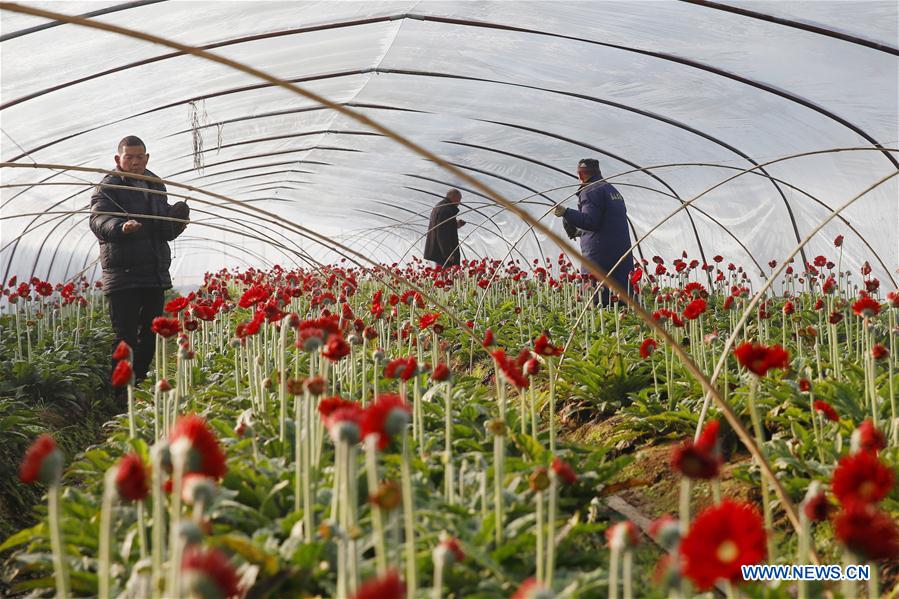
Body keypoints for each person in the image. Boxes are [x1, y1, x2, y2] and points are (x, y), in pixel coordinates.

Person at [90, 136, 190, 388]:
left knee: (150, 334)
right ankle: (121, 389)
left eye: (139, 157)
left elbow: (163, 232)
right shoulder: (109, 187)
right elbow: (98, 219)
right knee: (125, 337)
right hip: (123, 274)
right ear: (118, 159)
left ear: (147, 158)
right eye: (129, 157)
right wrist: (120, 227)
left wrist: (177, 222)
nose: (135, 162)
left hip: (153, 272)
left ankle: (140, 380)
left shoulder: (155, 185)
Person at [553, 158, 634, 305]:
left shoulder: (590, 190)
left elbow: (591, 221)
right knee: (621, 302)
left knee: (600, 304)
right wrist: (579, 232)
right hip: (619, 257)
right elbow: (606, 223)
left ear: (581, 175)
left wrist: (566, 212)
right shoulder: (612, 190)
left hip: (600, 258)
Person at [423, 188, 466, 268]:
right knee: (445, 277)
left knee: (442, 276)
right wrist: (448, 254)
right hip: (441, 254)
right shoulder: (446, 210)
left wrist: (456, 225)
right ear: (454, 198)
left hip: (437, 252)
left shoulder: (440, 207)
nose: (459, 202)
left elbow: (444, 227)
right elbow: (442, 234)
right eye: (459, 199)